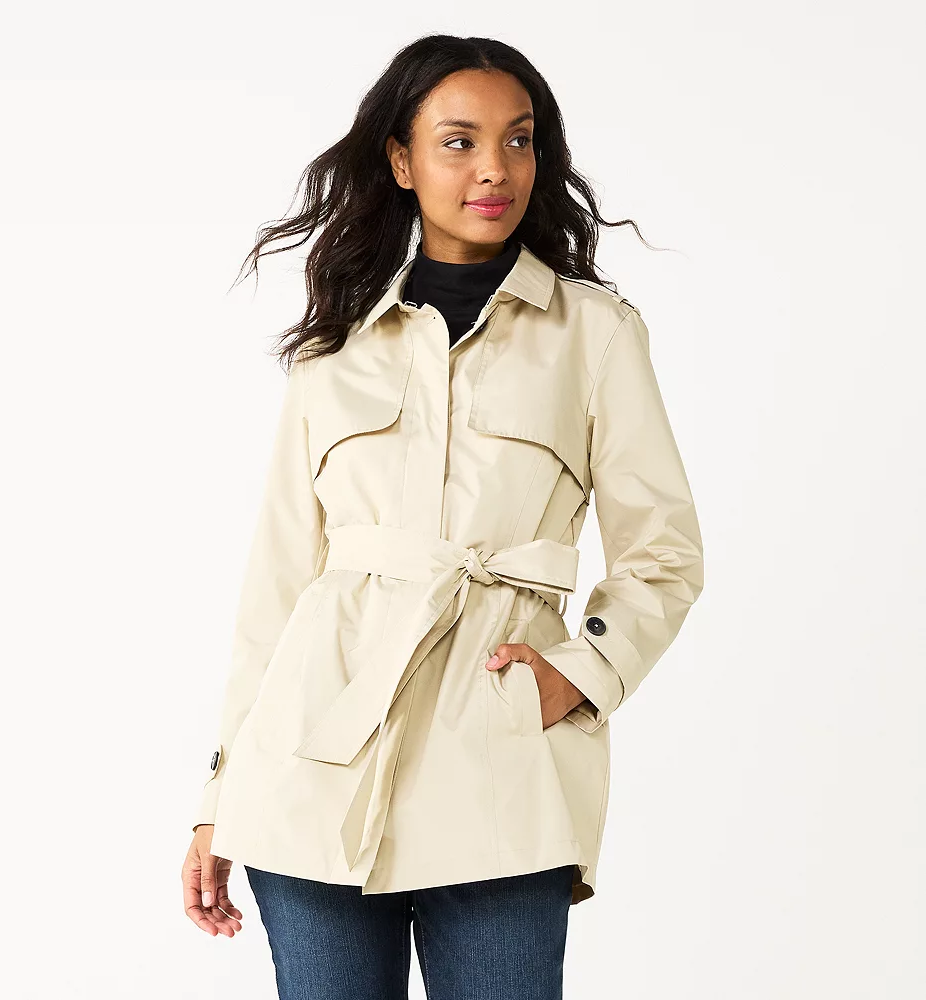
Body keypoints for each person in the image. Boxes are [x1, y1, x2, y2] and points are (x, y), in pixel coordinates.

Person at [181, 33, 704, 1000]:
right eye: (459, 142)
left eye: (519, 140)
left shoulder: (595, 334)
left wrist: (580, 674)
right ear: (401, 160)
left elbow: (663, 553)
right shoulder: (333, 350)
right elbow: (278, 588)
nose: (494, 168)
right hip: (311, 768)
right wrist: (220, 795)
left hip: (499, 766)